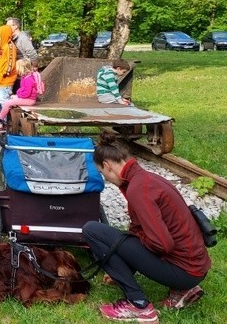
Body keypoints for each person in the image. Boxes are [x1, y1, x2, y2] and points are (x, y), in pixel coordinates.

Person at [83, 131, 211, 323]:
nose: (105, 179)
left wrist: (131, 244)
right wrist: (125, 265)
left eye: (102, 173)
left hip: (185, 271)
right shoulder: (146, 179)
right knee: (127, 237)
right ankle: (182, 291)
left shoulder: (138, 190)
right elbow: (143, 230)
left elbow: (162, 244)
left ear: (108, 166)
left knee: (92, 230)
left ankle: (139, 304)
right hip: (195, 267)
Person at [0, 58, 38, 133]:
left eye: (17, 68)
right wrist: (17, 95)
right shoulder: (25, 77)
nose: (16, 70)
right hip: (28, 98)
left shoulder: (28, 80)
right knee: (11, 99)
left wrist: (18, 95)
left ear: (21, 69)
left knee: (7, 103)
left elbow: (26, 93)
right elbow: (23, 90)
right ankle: (4, 121)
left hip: (30, 100)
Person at [0, 24, 18, 114]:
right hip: (0, 80)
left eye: (0, 33)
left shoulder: (9, 46)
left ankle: (5, 123)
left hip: (5, 80)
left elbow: (10, 63)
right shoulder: (3, 45)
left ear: (5, 34)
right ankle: (0, 122)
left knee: (4, 103)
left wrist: (3, 74)